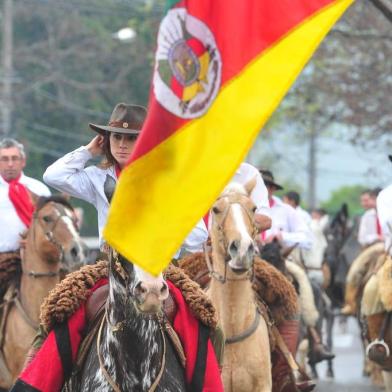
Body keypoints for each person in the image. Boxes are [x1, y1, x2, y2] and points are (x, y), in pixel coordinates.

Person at [43, 103, 208, 256]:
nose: (122, 144)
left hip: (159, 270)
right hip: (110, 266)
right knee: (73, 288)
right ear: (107, 140)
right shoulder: (97, 178)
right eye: (116, 137)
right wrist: (88, 151)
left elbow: (198, 238)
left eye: (131, 138)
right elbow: (53, 176)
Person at [259, 169, 334, 367]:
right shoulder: (242, 205)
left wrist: (283, 237)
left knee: (302, 279)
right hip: (249, 260)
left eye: (266, 185)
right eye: (259, 184)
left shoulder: (286, 211)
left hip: (282, 260)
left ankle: (313, 336)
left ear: (272, 189)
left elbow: (308, 239)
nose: (262, 188)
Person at [0, 138, 51, 254]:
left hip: (33, 259)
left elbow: (51, 226)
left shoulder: (39, 189)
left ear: (23, 161)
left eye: (14, 158)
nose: (10, 164)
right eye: (4, 159)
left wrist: (37, 239)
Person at [341, 187, 385, 316]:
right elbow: (362, 237)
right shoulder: (367, 216)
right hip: (372, 248)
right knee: (355, 270)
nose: (371, 202)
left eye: (373, 198)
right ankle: (350, 303)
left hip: (389, 247)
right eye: (372, 199)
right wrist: (377, 238)